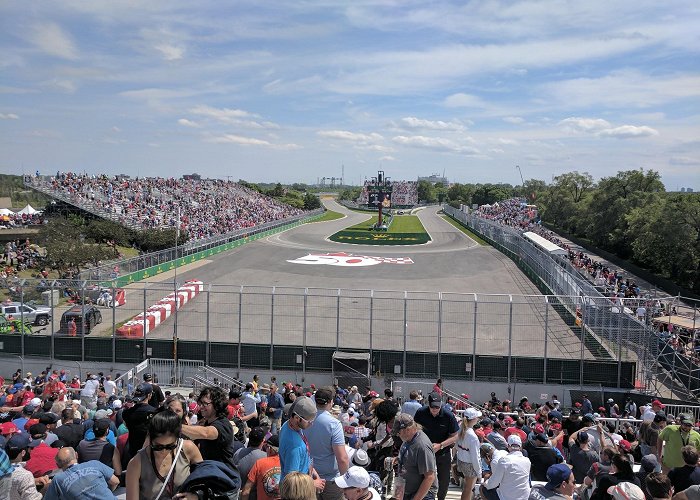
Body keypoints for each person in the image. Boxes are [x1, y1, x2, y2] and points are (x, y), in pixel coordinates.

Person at [125, 409, 203, 500]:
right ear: (150, 439)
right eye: (158, 447)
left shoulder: (189, 449)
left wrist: (195, 496)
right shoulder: (136, 463)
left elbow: (204, 482)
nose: (164, 451)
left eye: (170, 446)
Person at [303, 386, 349, 500]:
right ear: (331, 402)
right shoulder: (334, 424)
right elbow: (342, 458)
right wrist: (346, 482)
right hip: (330, 481)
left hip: (309, 476)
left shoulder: (304, 420)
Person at [413, 392, 458, 500]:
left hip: (442, 451)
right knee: (422, 476)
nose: (435, 409)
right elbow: (415, 430)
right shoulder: (421, 412)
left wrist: (440, 445)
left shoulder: (448, 416)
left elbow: (455, 436)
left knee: (444, 479)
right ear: (428, 404)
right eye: (432, 406)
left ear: (441, 404)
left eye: (437, 406)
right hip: (424, 451)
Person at [180, 386, 236, 470]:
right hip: (209, 472)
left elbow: (206, 433)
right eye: (200, 403)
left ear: (217, 405)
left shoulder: (223, 424)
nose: (201, 407)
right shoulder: (206, 422)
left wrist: (175, 425)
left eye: (205, 404)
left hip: (223, 476)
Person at [279, 396, 325, 490]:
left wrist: (312, 470)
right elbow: (291, 480)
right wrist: (313, 483)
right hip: (297, 492)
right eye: (309, 421)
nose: (311, 424)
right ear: (296, 418)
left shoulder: (288, 425)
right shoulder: (294, 446)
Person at [43, 447, 120, 499]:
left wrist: (46, 487)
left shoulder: (57, 480)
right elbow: (116, 481)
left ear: (58, 465)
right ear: (76, 455)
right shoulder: (94, 463)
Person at [393, 413, 438, 500]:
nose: (398, 435)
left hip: (421, 495)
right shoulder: (408, 438)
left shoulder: (422, 446)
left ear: (407, 430)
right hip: (407, 490)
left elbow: (429, 477)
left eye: (399, 432)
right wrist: (397, 459)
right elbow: (411, 457)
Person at [481, 434, 531, 500]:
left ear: (508, 446)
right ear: (520, 446)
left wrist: (485, 483)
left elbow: (493, 483)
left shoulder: (504, 460)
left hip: (506, 497)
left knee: (482, 488)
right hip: (525, 497)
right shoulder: (527, 461)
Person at [2, 434, 47, 500]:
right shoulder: (25, 475)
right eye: (30, 448)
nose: (31, 450)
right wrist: (45, 488)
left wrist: (33, 480)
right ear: (23, 452)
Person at [122, 383, 157, 463]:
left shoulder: (126, 413)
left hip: (133, 451)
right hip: (150, 452)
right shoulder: (155, 413)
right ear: (149, 395)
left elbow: (127, 426)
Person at [241, 434, 282, 500]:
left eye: (266, 447)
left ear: (270, 448)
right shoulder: (288, 464)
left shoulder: (260, 463)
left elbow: (246, 492)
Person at [455, 407, 482, 500]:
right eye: (477, 417)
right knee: (468, 489)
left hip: (461, 461)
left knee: (466, 488)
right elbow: (475, 457)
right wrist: (479, 473)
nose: (478, 419)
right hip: (469, 464)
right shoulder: (472, 436)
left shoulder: (460, 428)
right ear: (473, 419)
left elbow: (456, 446)